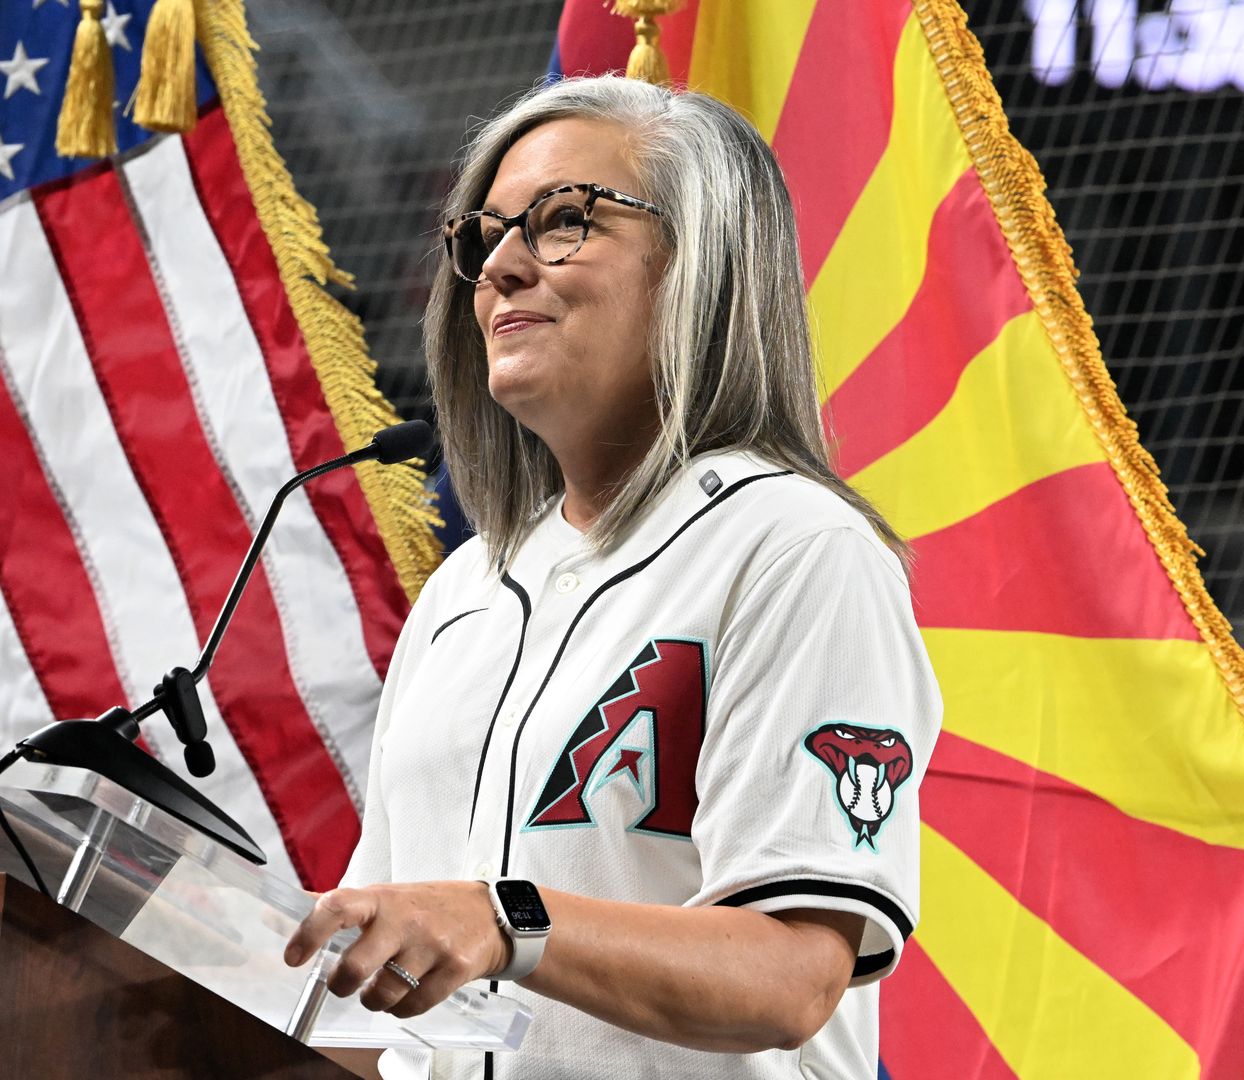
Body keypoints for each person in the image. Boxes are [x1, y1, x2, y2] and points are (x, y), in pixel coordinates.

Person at [283, 76, 942, 1079]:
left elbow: (792, 976)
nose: (499, 267)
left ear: (703, 265)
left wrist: (504, 922)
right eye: (486, 235)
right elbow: (380, 1012)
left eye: (559, 222)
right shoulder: (465, 594)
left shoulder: (797, 550)